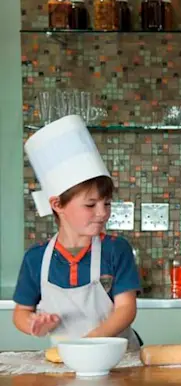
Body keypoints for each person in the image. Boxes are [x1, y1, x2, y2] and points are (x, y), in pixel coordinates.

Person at [13, 115, 142, 350]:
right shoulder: (37, 258)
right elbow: (21, 312)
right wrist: (34, 324)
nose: (102, 213)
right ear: (57, 205)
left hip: (118, 360)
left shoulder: (116, 249)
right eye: (90, 205)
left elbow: (126, 309)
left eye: (107, 203)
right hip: (63, 362)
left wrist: (89, 344)